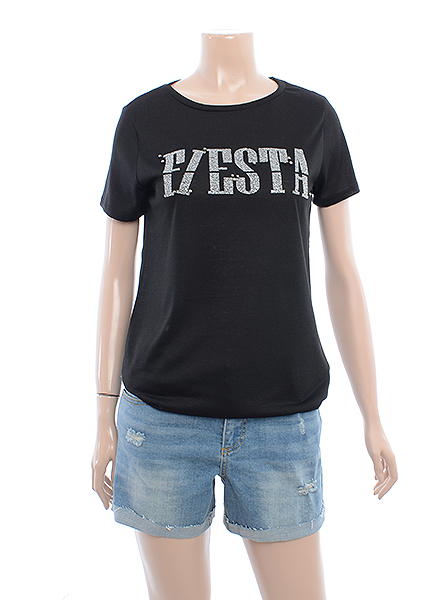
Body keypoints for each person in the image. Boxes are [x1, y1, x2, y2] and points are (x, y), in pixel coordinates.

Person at [92, 30, 398, 600]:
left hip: (281, 417)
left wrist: (372, 414)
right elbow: (115, 272)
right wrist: (103, 415)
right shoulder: (144, 120)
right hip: (162, 418)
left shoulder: (312, 118)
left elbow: (344, 272)